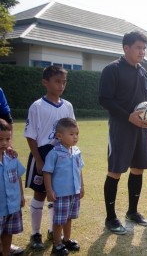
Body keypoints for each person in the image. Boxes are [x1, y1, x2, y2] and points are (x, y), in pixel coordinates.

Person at [99, 31, 147, 235]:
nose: (142, 52)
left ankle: (132, 211)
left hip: (141, 128)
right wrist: (128, 116)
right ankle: (110, 217)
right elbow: (105, 99)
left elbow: (146, 98)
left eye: (144, 48)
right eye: (138, 47)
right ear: (126, 48)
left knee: (138, 168)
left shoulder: (143, 72)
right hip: (121, 127)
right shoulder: (111, 69)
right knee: (116, 170)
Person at [24, 66, 75, 249]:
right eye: (57, 81)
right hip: (42, 153)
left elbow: (72, 131)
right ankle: (35, 233)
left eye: (64, 82)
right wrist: (38, 159)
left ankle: (54, 231)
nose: (61, 85)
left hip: (61, 156)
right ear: (45, 82)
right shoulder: (37, 106)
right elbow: (30, 135)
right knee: (40, 193)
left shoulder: (67, 106)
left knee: (58, 194)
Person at [43, 118, 84, 255]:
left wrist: (81, 187)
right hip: (60, 193)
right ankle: (57, 244)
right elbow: (47, 172)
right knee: (59, 220)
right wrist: (49, 190)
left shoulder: (77, 151)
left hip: (74, 192)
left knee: (69, 218)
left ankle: (66, 239)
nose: (75, 137)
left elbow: (79, 170)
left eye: (77, 133)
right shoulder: (54, 153)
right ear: (59, 136)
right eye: (71, 134)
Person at [0, 88, 24, 256]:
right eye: (0, 140)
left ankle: (6, 251)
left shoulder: (11, 157)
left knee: (8, 232)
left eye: (7, 139)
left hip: (11, 206)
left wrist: (21, 196)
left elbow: (18, 178)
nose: (5, 143)